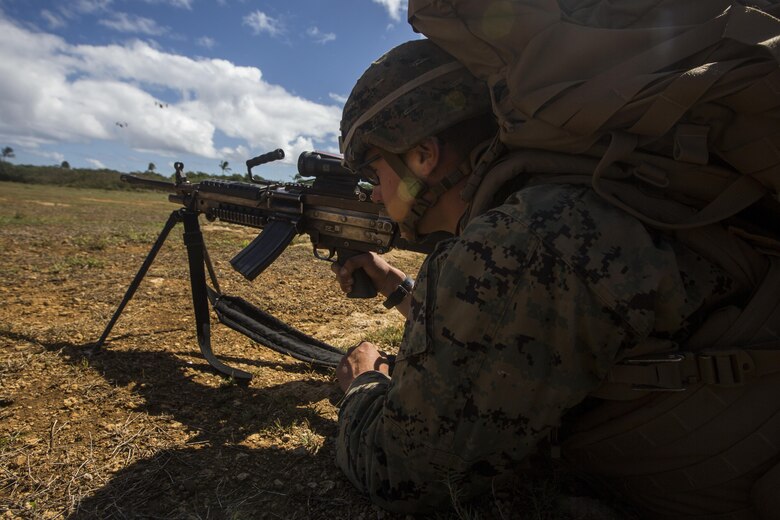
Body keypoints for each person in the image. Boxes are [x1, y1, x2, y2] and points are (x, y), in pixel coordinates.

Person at [331, 38, 780, 518]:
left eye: (374, 171)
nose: (374, 194)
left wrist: (361, 386)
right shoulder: (562, 196)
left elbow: (403, 473)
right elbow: (507, 335)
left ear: (423, 155)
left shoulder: (521, 240)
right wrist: (393, 283)